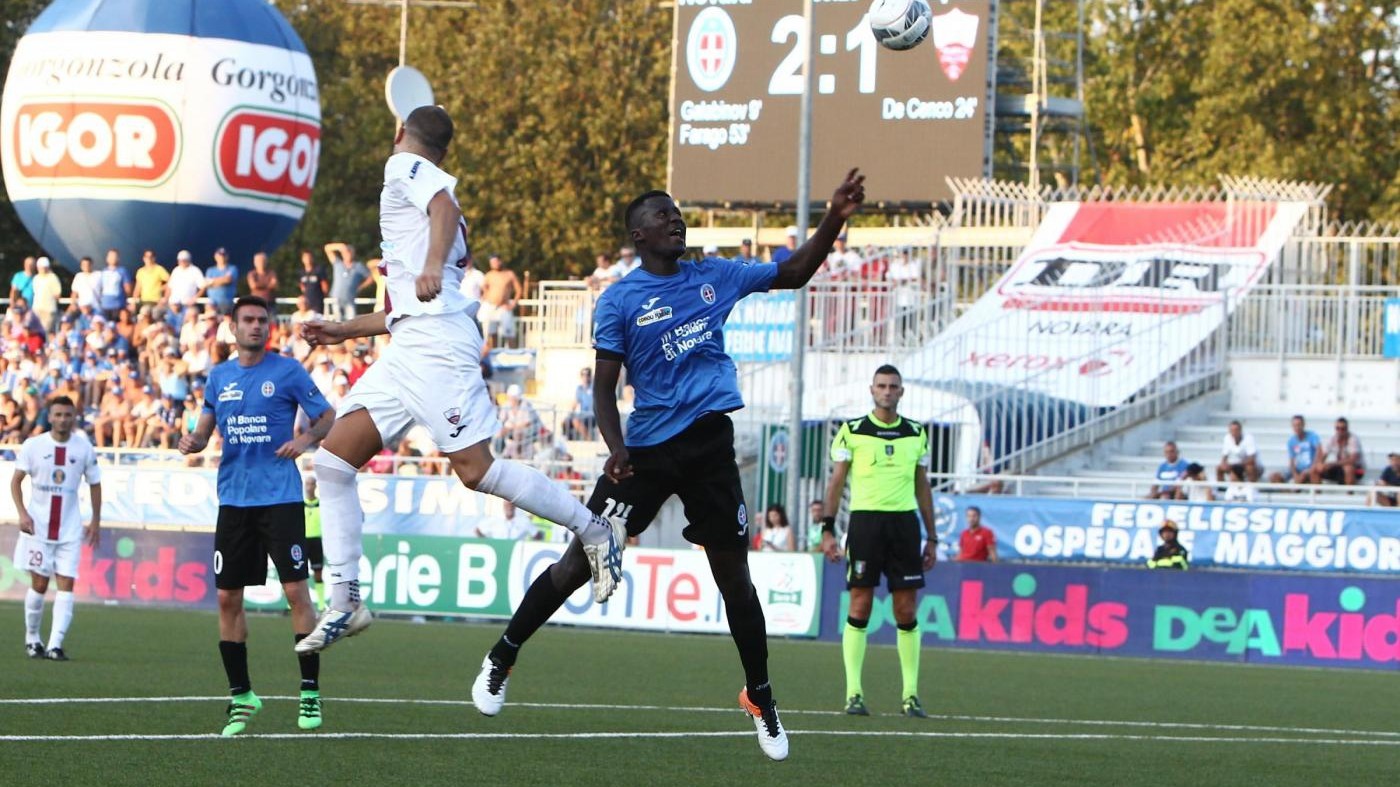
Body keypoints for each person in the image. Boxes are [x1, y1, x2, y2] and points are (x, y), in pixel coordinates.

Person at [471, 169, 867, 763]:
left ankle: (760, 696)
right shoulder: (620, 300)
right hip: (648, 452)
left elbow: (793, 272)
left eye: (677, 212)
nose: (675, 219)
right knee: (579, 561)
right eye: (662, 214)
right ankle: (502, 655)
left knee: (735, 579)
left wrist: (834, 216)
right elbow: (605, 388)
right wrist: (615, 446)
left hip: (710, 447)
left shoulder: (715, 275)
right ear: (638, 234)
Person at [295, 106, 624, 655]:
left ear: (402, 135)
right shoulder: (417, 197)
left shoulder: (402, 168)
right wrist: (343, 330)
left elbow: (442, 208)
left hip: (437, 345)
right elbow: (404, 307)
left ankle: (593, 529)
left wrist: (429, 262)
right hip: (411, 344)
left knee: (476, 470)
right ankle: (346, 599)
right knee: (332, 463)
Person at [178, 296, 336, 736]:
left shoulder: (287, 371)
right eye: (247, 320)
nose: (255, 327)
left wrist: (304, 440)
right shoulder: (219, 376)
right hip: (233, 501)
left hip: (280, 500)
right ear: (232, 327)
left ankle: (309, 691)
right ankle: (242, 696)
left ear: (270, 327)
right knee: (228, 598)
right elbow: (205, 430)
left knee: (296, 592)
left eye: (262, 321)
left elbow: (328, 414)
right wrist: (191, 442)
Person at [818, 364, 935, 719]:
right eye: (882, 385)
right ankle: (854, 692)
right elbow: (836, 483)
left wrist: (932, 536)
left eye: (893, 386)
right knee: (860, 605)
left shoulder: (916, 433)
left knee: (906, 609)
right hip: (865, 524)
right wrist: (826, 528)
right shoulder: (851, 431)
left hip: (904, 525)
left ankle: (910, 695)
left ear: (901, 392)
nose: (887, 391)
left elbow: (922, 486)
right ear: (872, 390)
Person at [11, 396, 101, 661]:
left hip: (70, 529)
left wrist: (95, 521)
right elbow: (16, 482)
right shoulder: (34, 445)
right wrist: (22, 514)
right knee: (39, 584)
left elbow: (95, 484)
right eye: (58, 414)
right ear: (49, 417)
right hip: (38, 528)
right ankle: (32, 639)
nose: (63, 419)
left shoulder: (83, 448)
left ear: (74, 417)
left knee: (66, 583)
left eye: (67, 415)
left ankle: (55, 645)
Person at [480, 254, 521, 347]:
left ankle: (512, 355)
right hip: (491, 307)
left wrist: (513, 304)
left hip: (504, 307)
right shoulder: (489, 275)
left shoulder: (509, 274)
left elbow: (519, 290)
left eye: (495, 262)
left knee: (509, 332)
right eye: (491, 262)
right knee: (491, 333)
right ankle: (491, 356)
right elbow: (484, 289)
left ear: (500, 261)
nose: (493, 264)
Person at [1310, 417, 1365, 485]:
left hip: (1357, 470)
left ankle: (1350, 494)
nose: (1340, 431)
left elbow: (1352, 460)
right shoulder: (1333, 438)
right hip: (1339, 467)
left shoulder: (1353, 439)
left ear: (1347, 429)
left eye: (1342, 429)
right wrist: (1320, 464)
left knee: (1348, 468)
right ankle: (1316, 494)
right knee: (1315, 469)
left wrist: (1332, 464)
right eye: (1337, 428)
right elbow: (1324, 455)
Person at [1270, 415, 1322, 485]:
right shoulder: (1291, 441)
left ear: (1303, 425)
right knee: (1274, 477)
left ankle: (1294, 490)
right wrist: (1295, 474)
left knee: (1303, 476)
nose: (1297, 428)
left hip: (1310, 469)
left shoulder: (1312, 436)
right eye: (1294, 425)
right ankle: (1288, 493)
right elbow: (1291, 461)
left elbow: (1319, 451)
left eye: (1299, 425)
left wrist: (1312, 467)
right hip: (1298, 469)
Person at [325, 243, 372, 320]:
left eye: (349, 252)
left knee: (351, 321)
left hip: (350, 299)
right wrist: (340, 246)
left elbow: (370, 278)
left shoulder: (358, 266)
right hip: (336, 298)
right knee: (337, 321)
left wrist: (360, 287)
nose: (347, 255)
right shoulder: (337, 263)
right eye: (345, 253)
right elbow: (327, 248)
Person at [304, 474, 326, 611]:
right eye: (307, 484)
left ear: (315, 486)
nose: (309, 487)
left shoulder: (322, 505)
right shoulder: (300, 505)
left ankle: (321, 605)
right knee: (298, 576)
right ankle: (292, 605)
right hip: (302, 541)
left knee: (318, 573)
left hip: (316, 541)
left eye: (311, 484)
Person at [474, 501, 541, 540]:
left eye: (511, 506)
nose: (509, 508)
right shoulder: (495, 520)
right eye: (507, 506)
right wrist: (489, 544)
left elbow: (537, 535)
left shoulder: (524, 521)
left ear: (515, 507)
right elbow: (478, 530)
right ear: (503, 506)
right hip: (498, 552)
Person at [97, 249, 132, 321]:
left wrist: (125, 301)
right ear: (107, 258)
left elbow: (128, 289)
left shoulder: (123, 271)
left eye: (114, 256)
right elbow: (100, 288)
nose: (112, 258)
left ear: (118, 258)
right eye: (110, 256)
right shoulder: (103, 271)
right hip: (105, 305)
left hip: (118, 305)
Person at [30, 257, 62, 335]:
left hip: (49, 310)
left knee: (45, 331)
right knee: (35, 330)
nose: (42, 269)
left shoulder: (53, 277)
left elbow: (57, 294)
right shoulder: (36, 278)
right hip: (37, 308)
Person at [205, 248, 238, 315]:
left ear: (227, 257)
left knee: (226, 322)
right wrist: (222, 281)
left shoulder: (232, 268)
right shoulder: (210, 270)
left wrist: (212, 282)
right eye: (220, 255)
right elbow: (206, 283)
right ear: (215, 257)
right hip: (212, 303)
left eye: (224, 255)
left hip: (227, 302)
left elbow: (228, 280)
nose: (222, 257)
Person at [298, 250, 330, 315]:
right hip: (306, 303)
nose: (307, 259)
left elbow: (325, 286)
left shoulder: (318, 270)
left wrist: (322, 296)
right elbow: (301, 285)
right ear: (302, 259)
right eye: (305, 257)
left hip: (317, 302)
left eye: (309, 257)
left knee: (317, 321)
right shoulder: (301, 272)